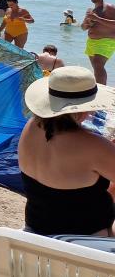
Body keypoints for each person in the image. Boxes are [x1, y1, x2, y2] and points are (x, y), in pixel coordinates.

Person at [17, 66, 115, 236]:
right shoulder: (93, 146)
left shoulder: (31, 127)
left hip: (37, 229)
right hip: (87, 240)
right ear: (85, 108)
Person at [83, 0, 115, 84]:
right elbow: (83, 27)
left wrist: (97, 19)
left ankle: (102, 88)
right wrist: (87, 23)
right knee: (97, 68)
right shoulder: (91, 10)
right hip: (91, 42)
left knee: (98, 66)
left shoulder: (109, 7)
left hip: (106, 41)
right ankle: (98, 86)